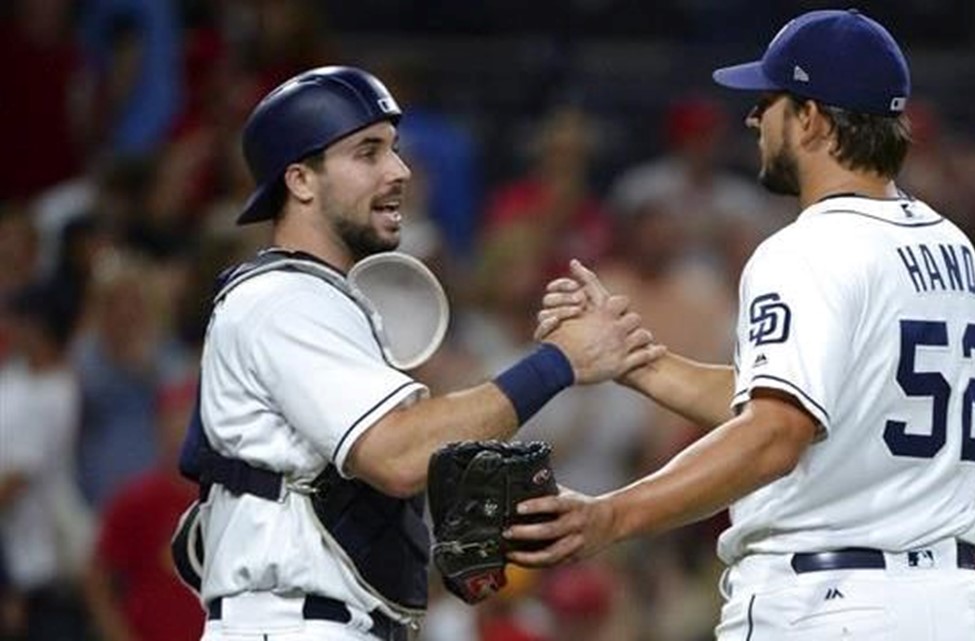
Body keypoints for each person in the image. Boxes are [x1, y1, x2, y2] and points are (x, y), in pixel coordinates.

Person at [507, 9, 975, 640]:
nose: (752, 119)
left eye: (769, 102)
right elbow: (811, 405)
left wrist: (610, 516)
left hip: (830, 605)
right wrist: (637, 361)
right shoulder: (950, 246)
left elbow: (775, 433)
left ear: (813, 118)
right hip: (949, 603)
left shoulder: (807, 249)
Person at [180, 65, 658, 641]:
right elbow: (397, 455)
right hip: (292, 622)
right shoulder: (284, 299)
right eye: (368, 152)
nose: (400, 170)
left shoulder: (321, 300)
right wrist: (558, 362)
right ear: (301, 180)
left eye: (394, 150)